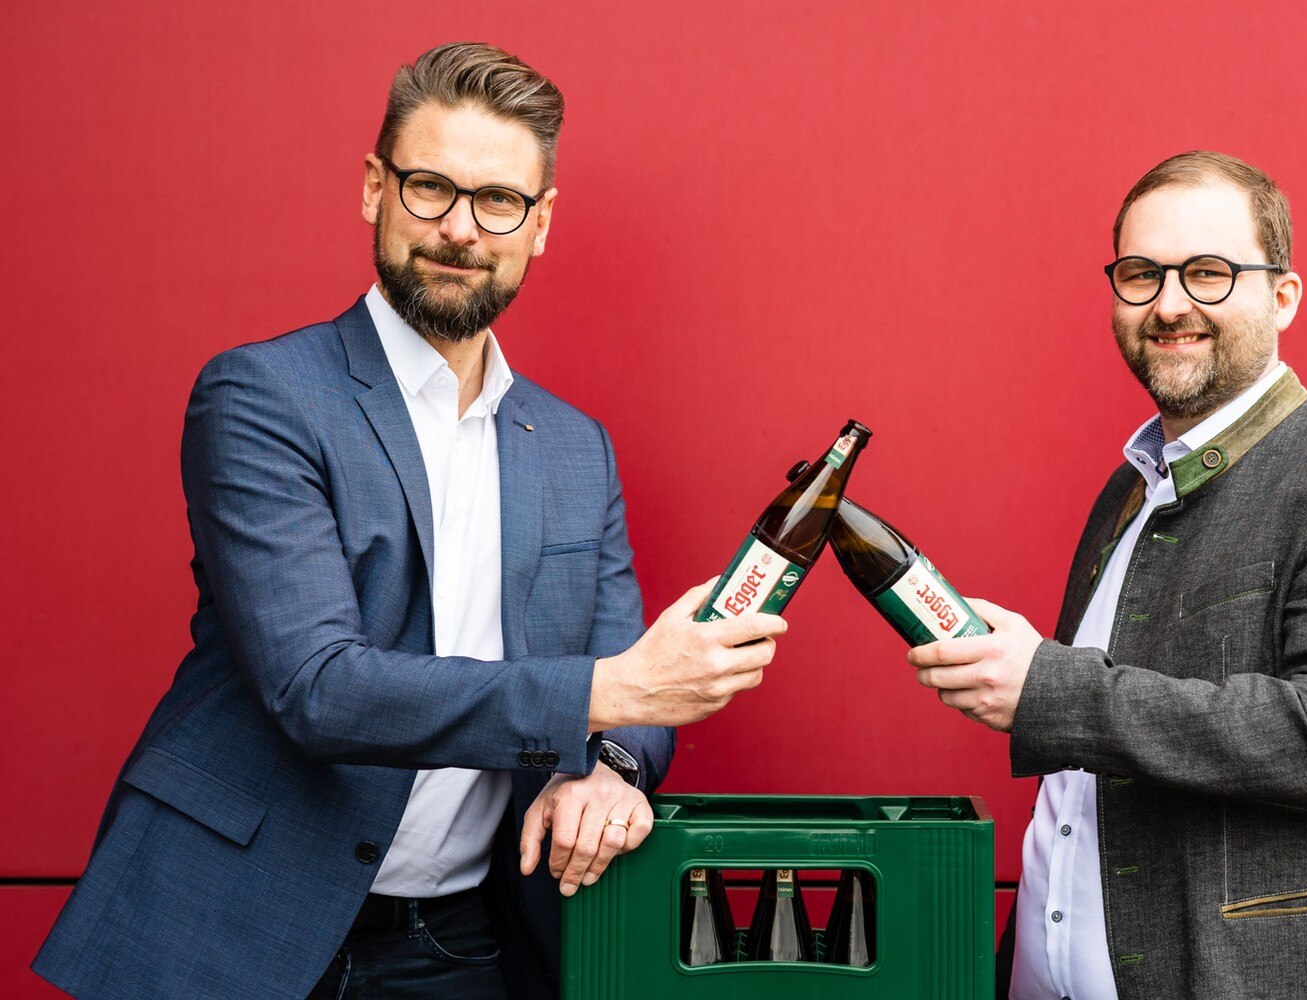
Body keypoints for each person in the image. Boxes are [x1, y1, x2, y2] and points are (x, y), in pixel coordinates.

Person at [33, 42, 783, 1000]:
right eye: (430, 187)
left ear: (540, 223)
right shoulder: (262, 398)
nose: (460, 230)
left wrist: (612, 770)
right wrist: (609, 692)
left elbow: (625, 697)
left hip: (462, 944)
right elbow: (321, 689)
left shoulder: (572, 447)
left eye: (498, 201)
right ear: (373, 189)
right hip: (233, 923)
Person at [909, 151, 1307, 999]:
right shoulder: (1128, 490)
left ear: (1283, 296)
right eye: (1142, 274)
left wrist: (1047, 690)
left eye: (1208, 273)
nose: (1169, 304)